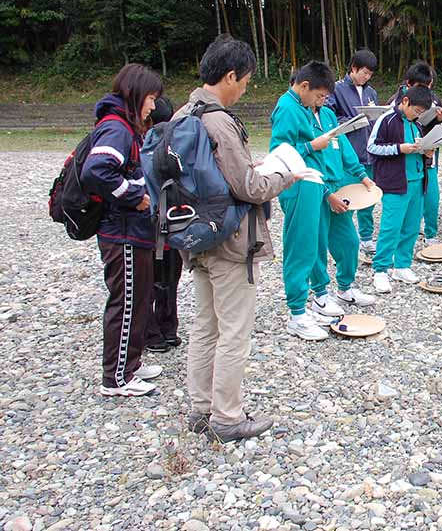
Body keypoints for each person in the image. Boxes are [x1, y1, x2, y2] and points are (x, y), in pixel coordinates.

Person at [179, 35, 304, 442]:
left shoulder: (185, 112)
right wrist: (284, 176)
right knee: (233, 330)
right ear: (230, 75)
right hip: (232, 242)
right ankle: (228, 417)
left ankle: (201, 409)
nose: (246, 88)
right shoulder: (218, 121)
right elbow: (249, 188)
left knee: (205, 325)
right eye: (246, 80)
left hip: (196, 237)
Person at [271, 60, 377, 341]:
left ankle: (320, 298)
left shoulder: (310, 109)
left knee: (324, 244)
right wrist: (310, 146)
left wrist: (359, 176)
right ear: (305, 86)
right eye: (319, 96)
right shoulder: (288, 107)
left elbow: (337, 150)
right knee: (302, 248)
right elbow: (278, 151)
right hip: (300, 187)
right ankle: (298, 311)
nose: (321, 101)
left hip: (319, 185)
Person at [82, 64, 164, 396]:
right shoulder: (116, 128)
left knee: (140, 297)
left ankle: (131, 363)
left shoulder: (128, 127)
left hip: (134, 231)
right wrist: (135, 197)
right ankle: (115, 377)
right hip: (123, 232)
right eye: (150, 98)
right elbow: (96, 171)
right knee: (127, 300)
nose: (153, 107)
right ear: (135, 95)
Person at [368, 85, 435, 293]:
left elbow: (419, 147)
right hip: (395, 183)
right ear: (405, 101)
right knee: (391, 227)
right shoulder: (386, 119)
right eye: (416, 111)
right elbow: (372, 147)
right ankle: (380, 269)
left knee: (412, 227)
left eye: (421, 113)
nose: (418, 115)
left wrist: (427, 152)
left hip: (417, 180)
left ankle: (402, 266)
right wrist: (400, 148)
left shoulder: (416, 125)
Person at [327, 48, 380, 256]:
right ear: (353, 68)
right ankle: (347, 241)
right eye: (364, 72)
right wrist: (351, 121)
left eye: (370, 74)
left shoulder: (371, 92)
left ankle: (366, 237)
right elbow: (328, 117)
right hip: (348, 152)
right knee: (348, 197)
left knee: (368, 197)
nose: (366, 77)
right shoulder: (337, 89)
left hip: (369, 152)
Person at [388, 61, 442, 244]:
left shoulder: (433, 99)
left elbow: (439, 126)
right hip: (404, 159)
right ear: (409, 84)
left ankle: (430, 234)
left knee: (431, 196)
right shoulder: (396, 102)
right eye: (423, 86)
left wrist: (440, 119)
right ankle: (403, 237)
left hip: (428, 154)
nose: (427, 91)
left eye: (430, 86)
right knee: (406, 199)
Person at [144, 95, 183, 354]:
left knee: (149, 282)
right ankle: (169, 329)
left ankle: (152, 333)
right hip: (174, 226)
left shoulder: (143, 146)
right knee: (171, 281)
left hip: (149, 228)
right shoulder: (175, 144)